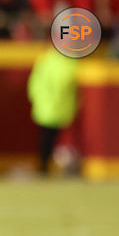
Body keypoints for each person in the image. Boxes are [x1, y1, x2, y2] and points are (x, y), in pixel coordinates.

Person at [27, 47, 79, 175]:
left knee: (51, 140)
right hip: (52, 108)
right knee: (48, 139)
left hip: (58, 108)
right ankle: (45, 166)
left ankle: (48, 167)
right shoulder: (51, 60)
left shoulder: (51, 60)